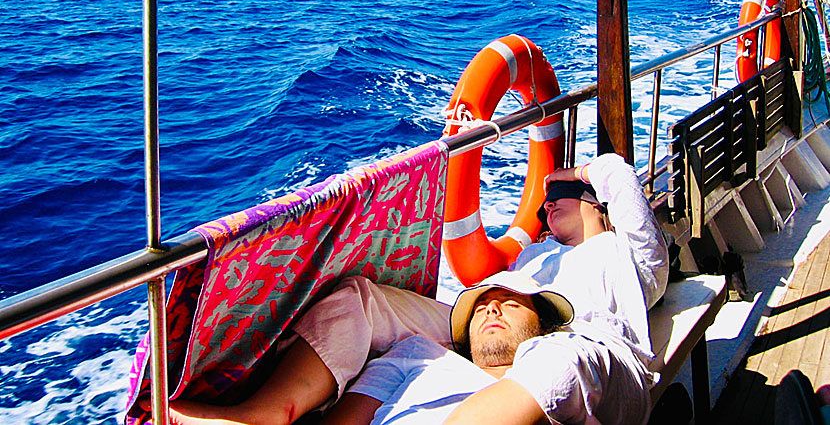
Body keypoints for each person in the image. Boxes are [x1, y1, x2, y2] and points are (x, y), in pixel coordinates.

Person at [169, 152, 669, 425]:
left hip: (582, 340)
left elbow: (618, 171)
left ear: (597, 205)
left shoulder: (627, 257)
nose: (549, 200)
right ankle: (266, 415)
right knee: (361, 299)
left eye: (561, 196)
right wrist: (490, 303)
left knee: (556, 363)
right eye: (547, 199)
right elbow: (486, 292)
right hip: (495, 317)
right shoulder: (534, 254)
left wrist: (568, 172)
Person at [318, 270, 574, 425]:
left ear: (543, 324)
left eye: (511, 303)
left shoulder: (555, 380)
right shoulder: (420, 354)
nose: (492, 310)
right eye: (481, 307)